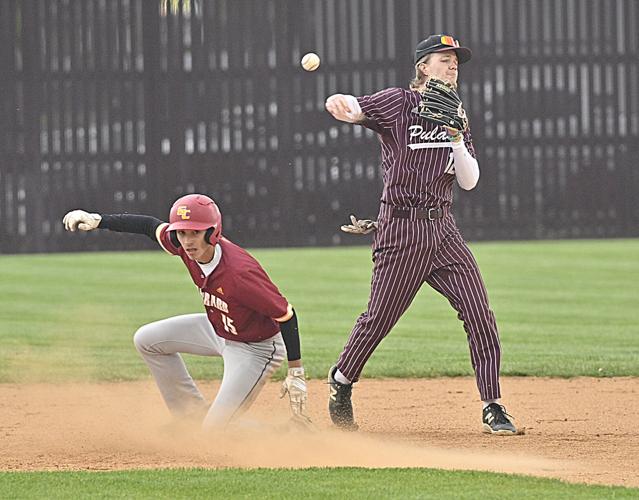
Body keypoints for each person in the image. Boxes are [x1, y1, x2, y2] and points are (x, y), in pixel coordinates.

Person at [325, 34, 520, 435]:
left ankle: (493, 405)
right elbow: (357, 108)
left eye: (456, 62)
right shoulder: (400, 102)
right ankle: (342, 380)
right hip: (401, 228)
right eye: (444, 59)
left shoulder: (456, 116)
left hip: (443, 229)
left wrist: (455, 137)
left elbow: (469, 181)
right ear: (422, 67)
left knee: (479, 314)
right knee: (380, 318)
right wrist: (342, 105)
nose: (453, 67)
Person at [62, 194, 310, 431]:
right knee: (147, 340)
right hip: (220, 327)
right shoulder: (183, 245)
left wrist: (295, 370)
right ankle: (190, 417)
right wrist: (100, 220)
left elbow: (285, 314)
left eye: (195, 233)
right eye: (182, 232)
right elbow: (149, 226)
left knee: (214, 432)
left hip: (256, 346)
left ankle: (287, 434)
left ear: (212, 233)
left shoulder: (240, 273)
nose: (188, 241)